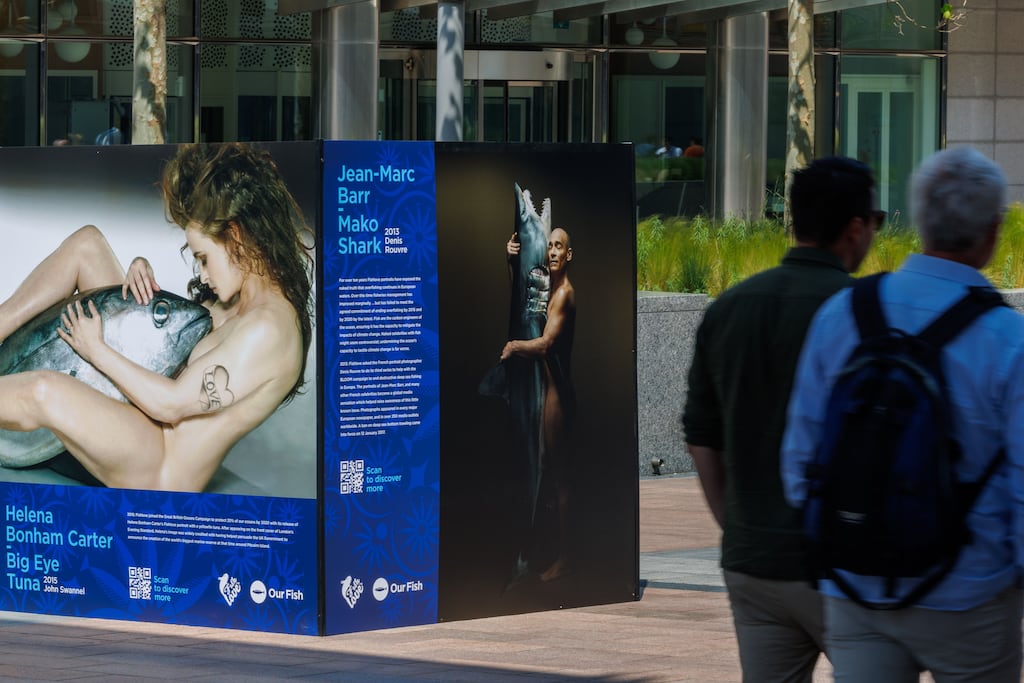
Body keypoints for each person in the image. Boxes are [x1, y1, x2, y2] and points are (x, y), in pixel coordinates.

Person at [781, 147, 1024, 682]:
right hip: (970, 594)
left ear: (919, 222)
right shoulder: (1009, 338)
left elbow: (801, 455)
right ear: (992, 231)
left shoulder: (846, 312)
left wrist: (840, 544)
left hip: (856, 588)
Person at [0, 142, 314, 493]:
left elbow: (171, 406)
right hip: (136, 418)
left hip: (156, 464)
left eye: (204, 257)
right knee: (88, 245)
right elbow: (172, 341)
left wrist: (96, 349)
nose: (203, 274)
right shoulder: (238, 301)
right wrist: (139, 274)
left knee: (45, 391)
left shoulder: (270, 329)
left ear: (236, 236)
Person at [682, 156, 881, 682]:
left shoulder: (729, 307)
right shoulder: (863, 311)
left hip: (752, 561)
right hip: (840, 568)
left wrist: (735, 523)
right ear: (856, 227)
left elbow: (701, 435)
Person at [502, 227, 576, 582]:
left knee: (560, 478)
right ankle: (542, 549)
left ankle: (566, 559)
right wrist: (512, 261)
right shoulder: (550, 288)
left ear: (569, 255)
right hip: (544, 390)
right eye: (549, 246)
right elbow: (526, 304)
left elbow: (546, 344)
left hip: (557, 396)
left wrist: (515, 346)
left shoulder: (564, 295)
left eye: (558, 246)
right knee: (545, 471)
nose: (551, 252)